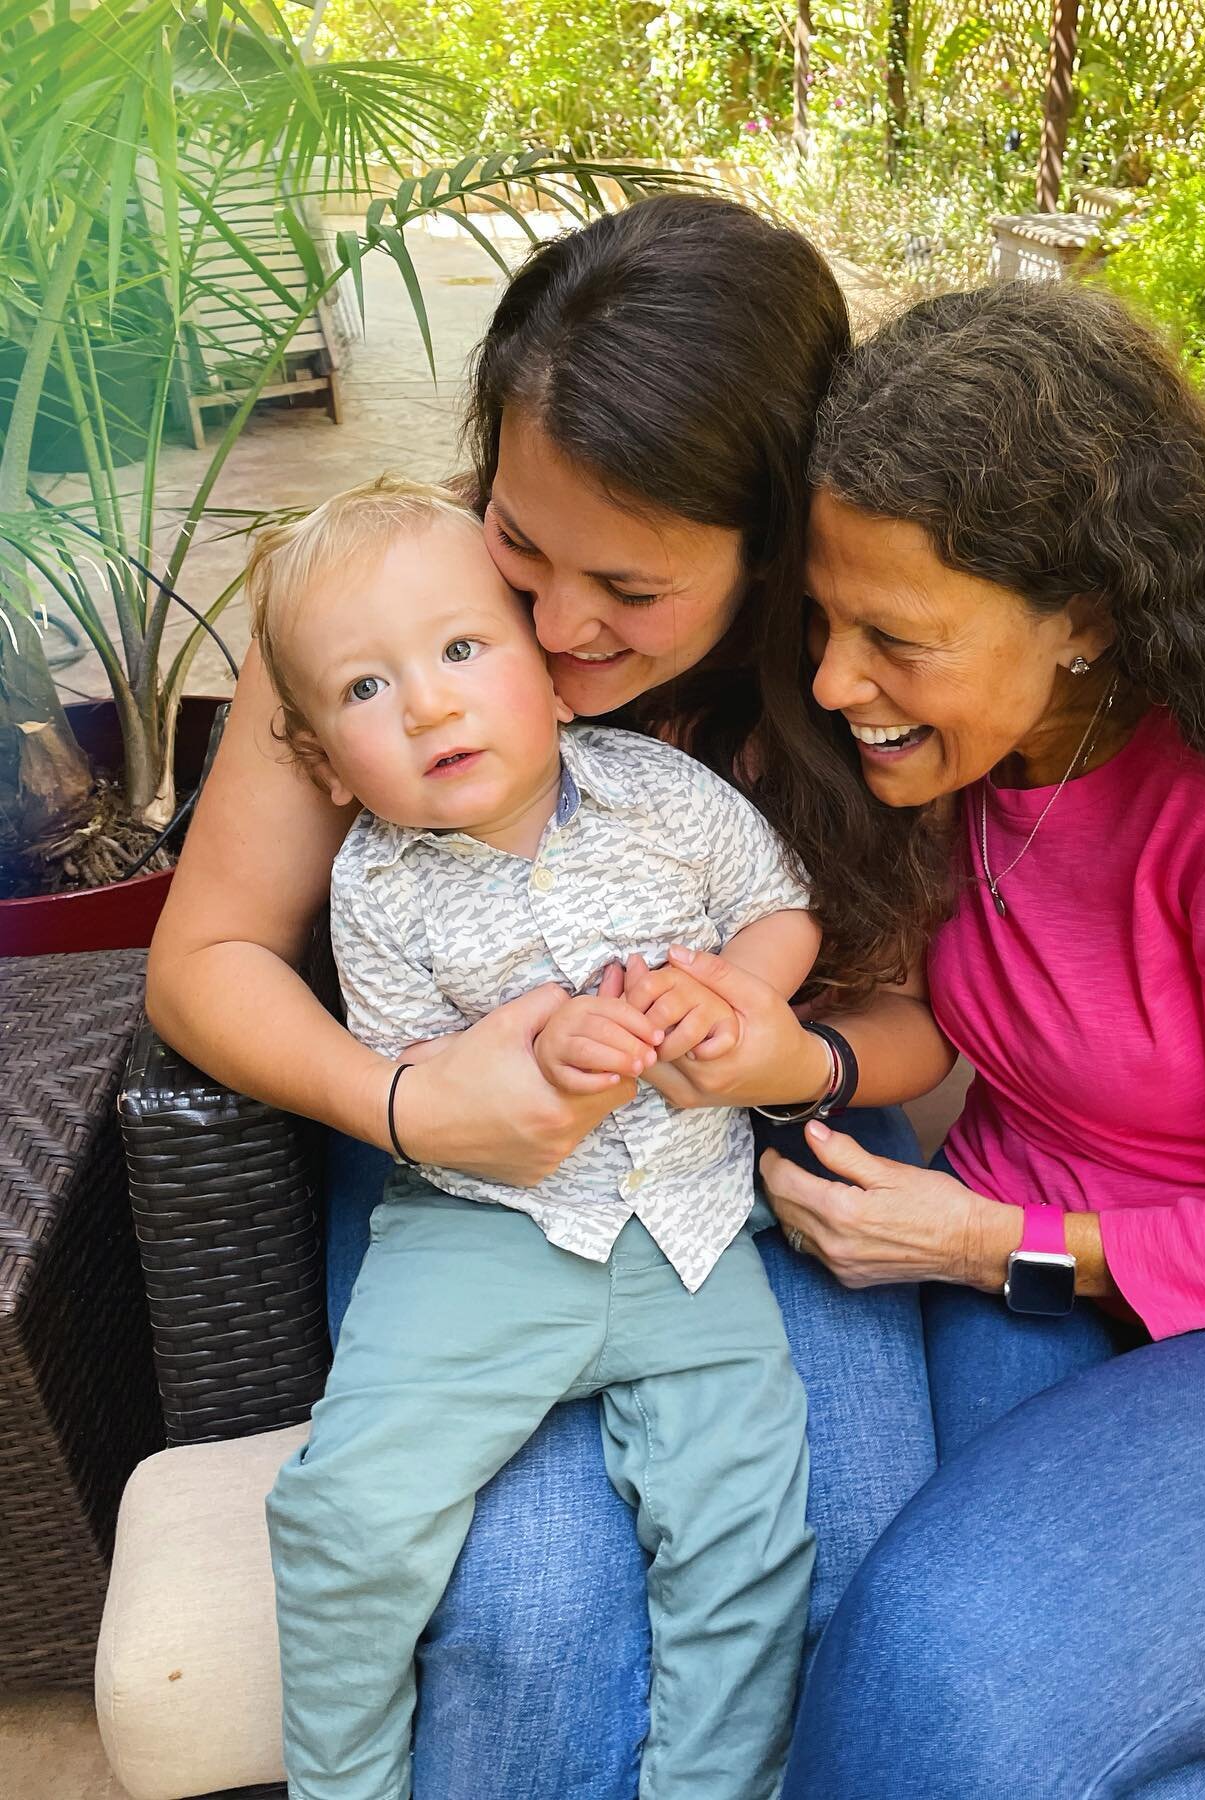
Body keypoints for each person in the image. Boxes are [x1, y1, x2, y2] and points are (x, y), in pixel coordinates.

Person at [146, 197, 944, 1796]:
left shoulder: (841, 670)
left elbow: (914, 1017)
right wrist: (407, 1100)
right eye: (523, 543)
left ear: (770, 544)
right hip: (469, 1193)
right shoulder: (384, 614)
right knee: (523, 1609)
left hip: (746, 1188)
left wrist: (792, 1055)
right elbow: (202, 960)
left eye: (632, 589)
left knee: (844, 1550)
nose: (555, 627)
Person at [749, 281, 1205, 1798]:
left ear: (1087, 618)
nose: (833, 681)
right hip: (1041, 1273)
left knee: (941, 1654)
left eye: (894, 638)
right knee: (952, 1676)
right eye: (823, 618)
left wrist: (994, 1247)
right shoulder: (979, 751)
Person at [247, 474, 824, 1800]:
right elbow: (416, 1073)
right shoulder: (378, 887)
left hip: (688, 1231)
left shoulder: (666, 799)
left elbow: (776, 907)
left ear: (552, 675)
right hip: (482, 1237)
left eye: (461, 651)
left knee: (746, 1533)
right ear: (332, 767)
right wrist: (537, 1050)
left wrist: (738, 991)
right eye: (365, 690)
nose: (431, 702)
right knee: (345, 1517)